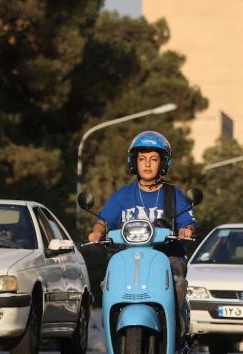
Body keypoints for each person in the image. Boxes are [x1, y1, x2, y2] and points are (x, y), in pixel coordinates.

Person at [86, 130, 196, 347]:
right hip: (129, 257)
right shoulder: (123, 195)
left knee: (176, 283)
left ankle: (178, 333)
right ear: (133, 162)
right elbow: (103, 220)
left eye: (154, 159)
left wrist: (186, 231)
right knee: (108, 281)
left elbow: (188, 222)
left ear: (163, 163)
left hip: (167, 257)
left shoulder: (173, 195)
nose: (147, 164)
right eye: (142, 159)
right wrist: (96, 231)